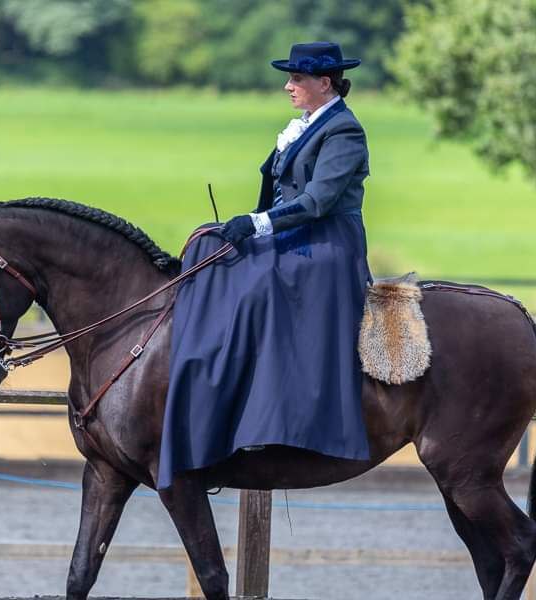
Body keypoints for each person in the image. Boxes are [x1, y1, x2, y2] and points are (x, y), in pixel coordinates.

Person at [158, 42, 372, 490]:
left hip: (326, 244)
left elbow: (316, 202)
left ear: (324, 83)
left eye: (296, 79)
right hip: (294, 234)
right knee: (207, 248)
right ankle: (206, 383)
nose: (288, 86)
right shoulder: (306, 125)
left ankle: (265, 414)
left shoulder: (344, 132)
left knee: (258, 284)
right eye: (290, 78)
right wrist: (243, 228)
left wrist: (256, 224)